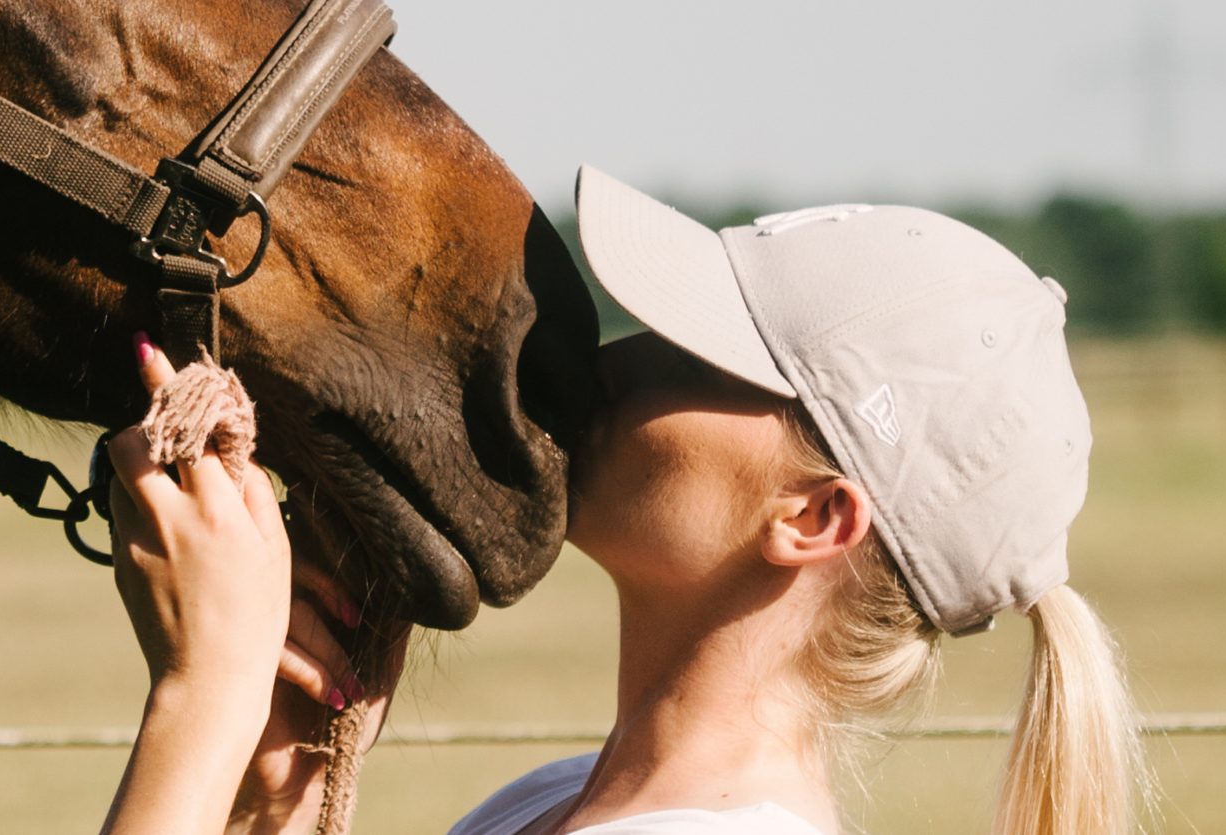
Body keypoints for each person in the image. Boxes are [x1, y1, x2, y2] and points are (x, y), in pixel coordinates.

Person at [96, 169, 1140, 835]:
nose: (616, 357)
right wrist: (266, 794)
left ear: (813, 518)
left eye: (702, 354)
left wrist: (208, 692)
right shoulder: (549, 806)